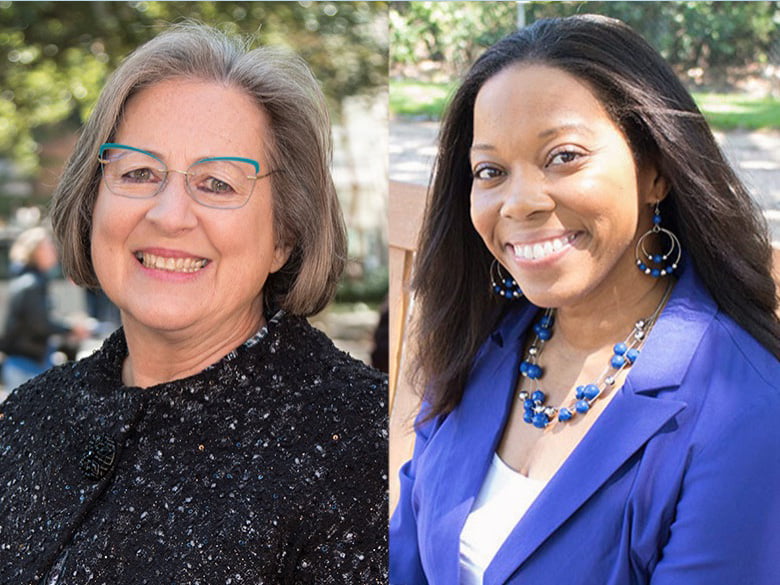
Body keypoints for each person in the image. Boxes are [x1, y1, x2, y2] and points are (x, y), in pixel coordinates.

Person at [390, 14, 779, 585]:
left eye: (564, 156)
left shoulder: (741, 411)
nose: (519, 203)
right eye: (491, 170)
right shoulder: (483, 343)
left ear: (656, 172)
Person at [0, 24, 387, 583]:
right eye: (138, 172)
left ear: (285, 236)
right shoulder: (28, 417)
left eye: (218, 184)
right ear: (91, 203)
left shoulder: (364, 448)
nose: (169, 214)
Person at [1, 227, 88, 390]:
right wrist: (71, 329)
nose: (54, 251)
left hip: (31, 361)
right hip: (26, 364)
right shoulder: (31, 284)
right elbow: (40, 324)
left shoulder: (33, 281)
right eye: (48, 247)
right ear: (36, 251)